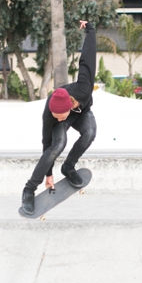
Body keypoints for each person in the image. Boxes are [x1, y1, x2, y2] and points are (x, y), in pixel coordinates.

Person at [21, 20, 97, 215]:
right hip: (67, 116)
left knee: (89, 133)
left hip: (82, 113)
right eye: (54, 115)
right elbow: (46, 142)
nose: (57, 117)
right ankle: (29, 189)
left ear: (70, 105)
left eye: (59, 115)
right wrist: (48, 174)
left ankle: (69, 167)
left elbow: (88, 58)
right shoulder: (50, 113)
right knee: (57, 144)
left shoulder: (84, 88)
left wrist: (90, 28)